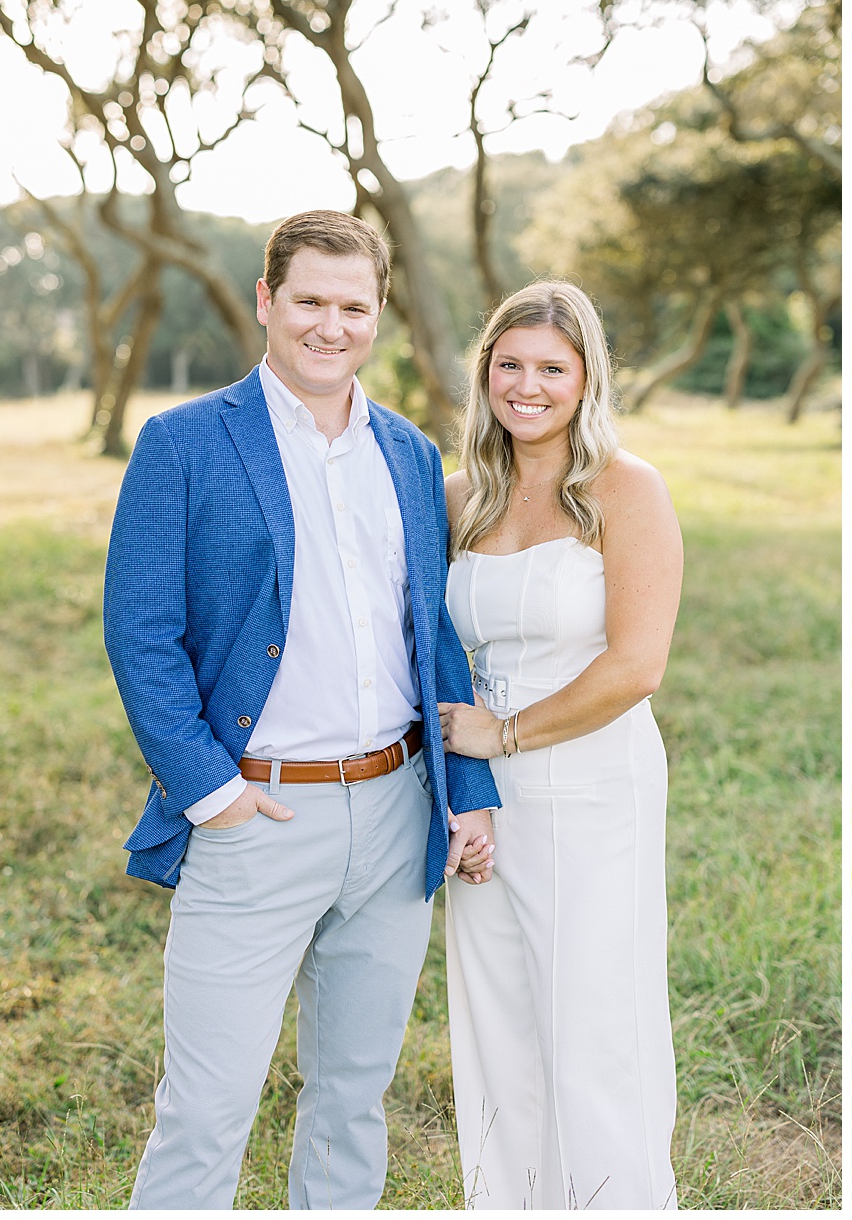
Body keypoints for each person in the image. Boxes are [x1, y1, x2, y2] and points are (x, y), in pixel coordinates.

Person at [104, 209, 499, 1209]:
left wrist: (469, 789)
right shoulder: (183, 443)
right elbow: (139, 633)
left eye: (354, 306)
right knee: (207, 1106)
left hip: (398, 808)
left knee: (353, 1099)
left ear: (380, 315)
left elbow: (433, 632)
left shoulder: (410, 455)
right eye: (311, 302)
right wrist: (212, 792)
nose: (332, 325)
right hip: (257, 818)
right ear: (266, 301)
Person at [434, 279, 683, 1210]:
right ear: (485, 374)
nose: (527, 387)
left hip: (591, 786)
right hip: (483, 798)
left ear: (586, 381)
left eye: (551, 368)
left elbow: (636, 666)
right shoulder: (457, 495)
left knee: (592, 1024)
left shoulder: (626, 490)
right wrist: (467, 777)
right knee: (499, 1019)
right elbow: (429, 647)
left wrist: (506, 733)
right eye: (509, 366)